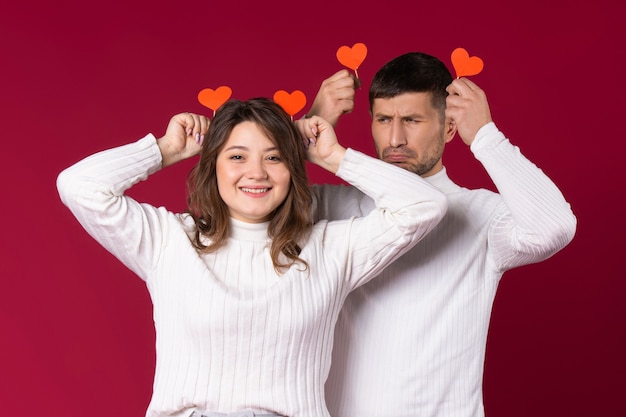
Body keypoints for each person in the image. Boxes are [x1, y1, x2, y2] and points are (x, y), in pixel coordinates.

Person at [56, 97, 447, 417]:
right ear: (214, 166)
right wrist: (166, 149)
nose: (256, 173)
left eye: (274, 157)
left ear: (292, 170)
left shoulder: (331, 248)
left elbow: (425, 205)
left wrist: (331, 156)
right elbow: (78, 186)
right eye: (238, 157)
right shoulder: (169, 240)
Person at [305, 52, 577, 417]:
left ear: (448, 127)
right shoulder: (330, 205)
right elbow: (253, 211)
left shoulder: (481, 215)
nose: (395, 138)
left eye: (412, 120)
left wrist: (486, 137)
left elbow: (554, 226)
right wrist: (311, 125)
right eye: (384, 120)